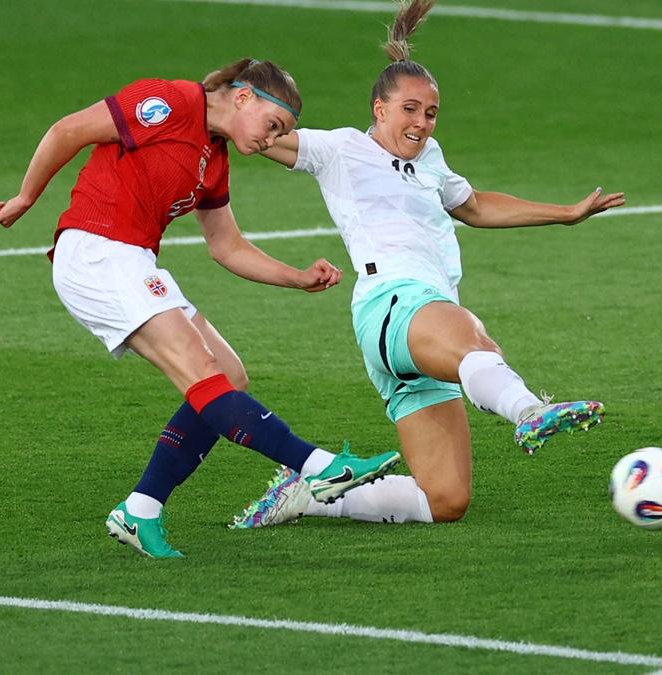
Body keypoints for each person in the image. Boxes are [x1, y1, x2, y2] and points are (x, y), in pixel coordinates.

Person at [229, 0, 625, 530]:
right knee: (472, 339)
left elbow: (477, 206)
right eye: (410, 109)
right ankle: (531, 412)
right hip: (396, 303)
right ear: (380, 109)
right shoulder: (341, 149)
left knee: (444, 500)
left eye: (431, 112)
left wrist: (566, 215)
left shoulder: (431, 159)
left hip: (413, 337)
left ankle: (311, 494)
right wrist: (211, 114)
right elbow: (261, 135)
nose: (421, 122)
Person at [0, 58, 400, 559]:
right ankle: (318, 467)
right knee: (204, 373)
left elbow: (226, 246)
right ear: (243, 96)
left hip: (131, 258)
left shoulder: (216, 157)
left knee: (228, 374)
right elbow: (68, 129)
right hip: (97, 250)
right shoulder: (172, 102)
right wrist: (26, 198)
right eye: (273, 125)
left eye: (282, 133)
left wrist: (297, 277)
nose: (272, 140)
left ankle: (140, 510)